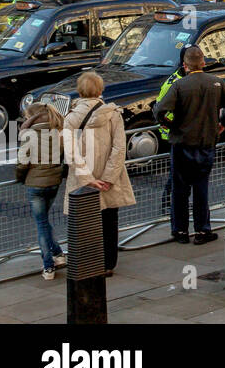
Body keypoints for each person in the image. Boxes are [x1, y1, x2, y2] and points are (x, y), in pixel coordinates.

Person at [155, 45, 225, 243]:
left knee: (180, 189)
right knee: (201, 188)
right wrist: (222, 125)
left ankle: (180, 231)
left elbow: (159, 111)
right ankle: (203, 230)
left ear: (185, 66)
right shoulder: (216, 83)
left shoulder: (179, 85)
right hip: (206, 142)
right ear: (203, 63)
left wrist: (172, 124)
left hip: (182, 143)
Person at [63, 72, 136, 275]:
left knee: (83, 221)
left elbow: (71, 153)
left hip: (82, 179)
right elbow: (119, 148)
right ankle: (108, 263)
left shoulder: (70, 118)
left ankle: (87, 261)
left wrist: (88, 179)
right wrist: (108, 178)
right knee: (109, 220)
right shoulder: (113, 114)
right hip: (108, 177)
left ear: (79, 91)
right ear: (101, 90)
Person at [16, 102, 66, 279]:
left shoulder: (30, 135)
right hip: (54, 182)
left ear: (32, 117)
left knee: (41, 224)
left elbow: (23, 163)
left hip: (35, 184)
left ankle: (48, 266)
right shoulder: (58, 131)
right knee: (43, 221)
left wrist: (20, 177)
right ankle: (59, 254)